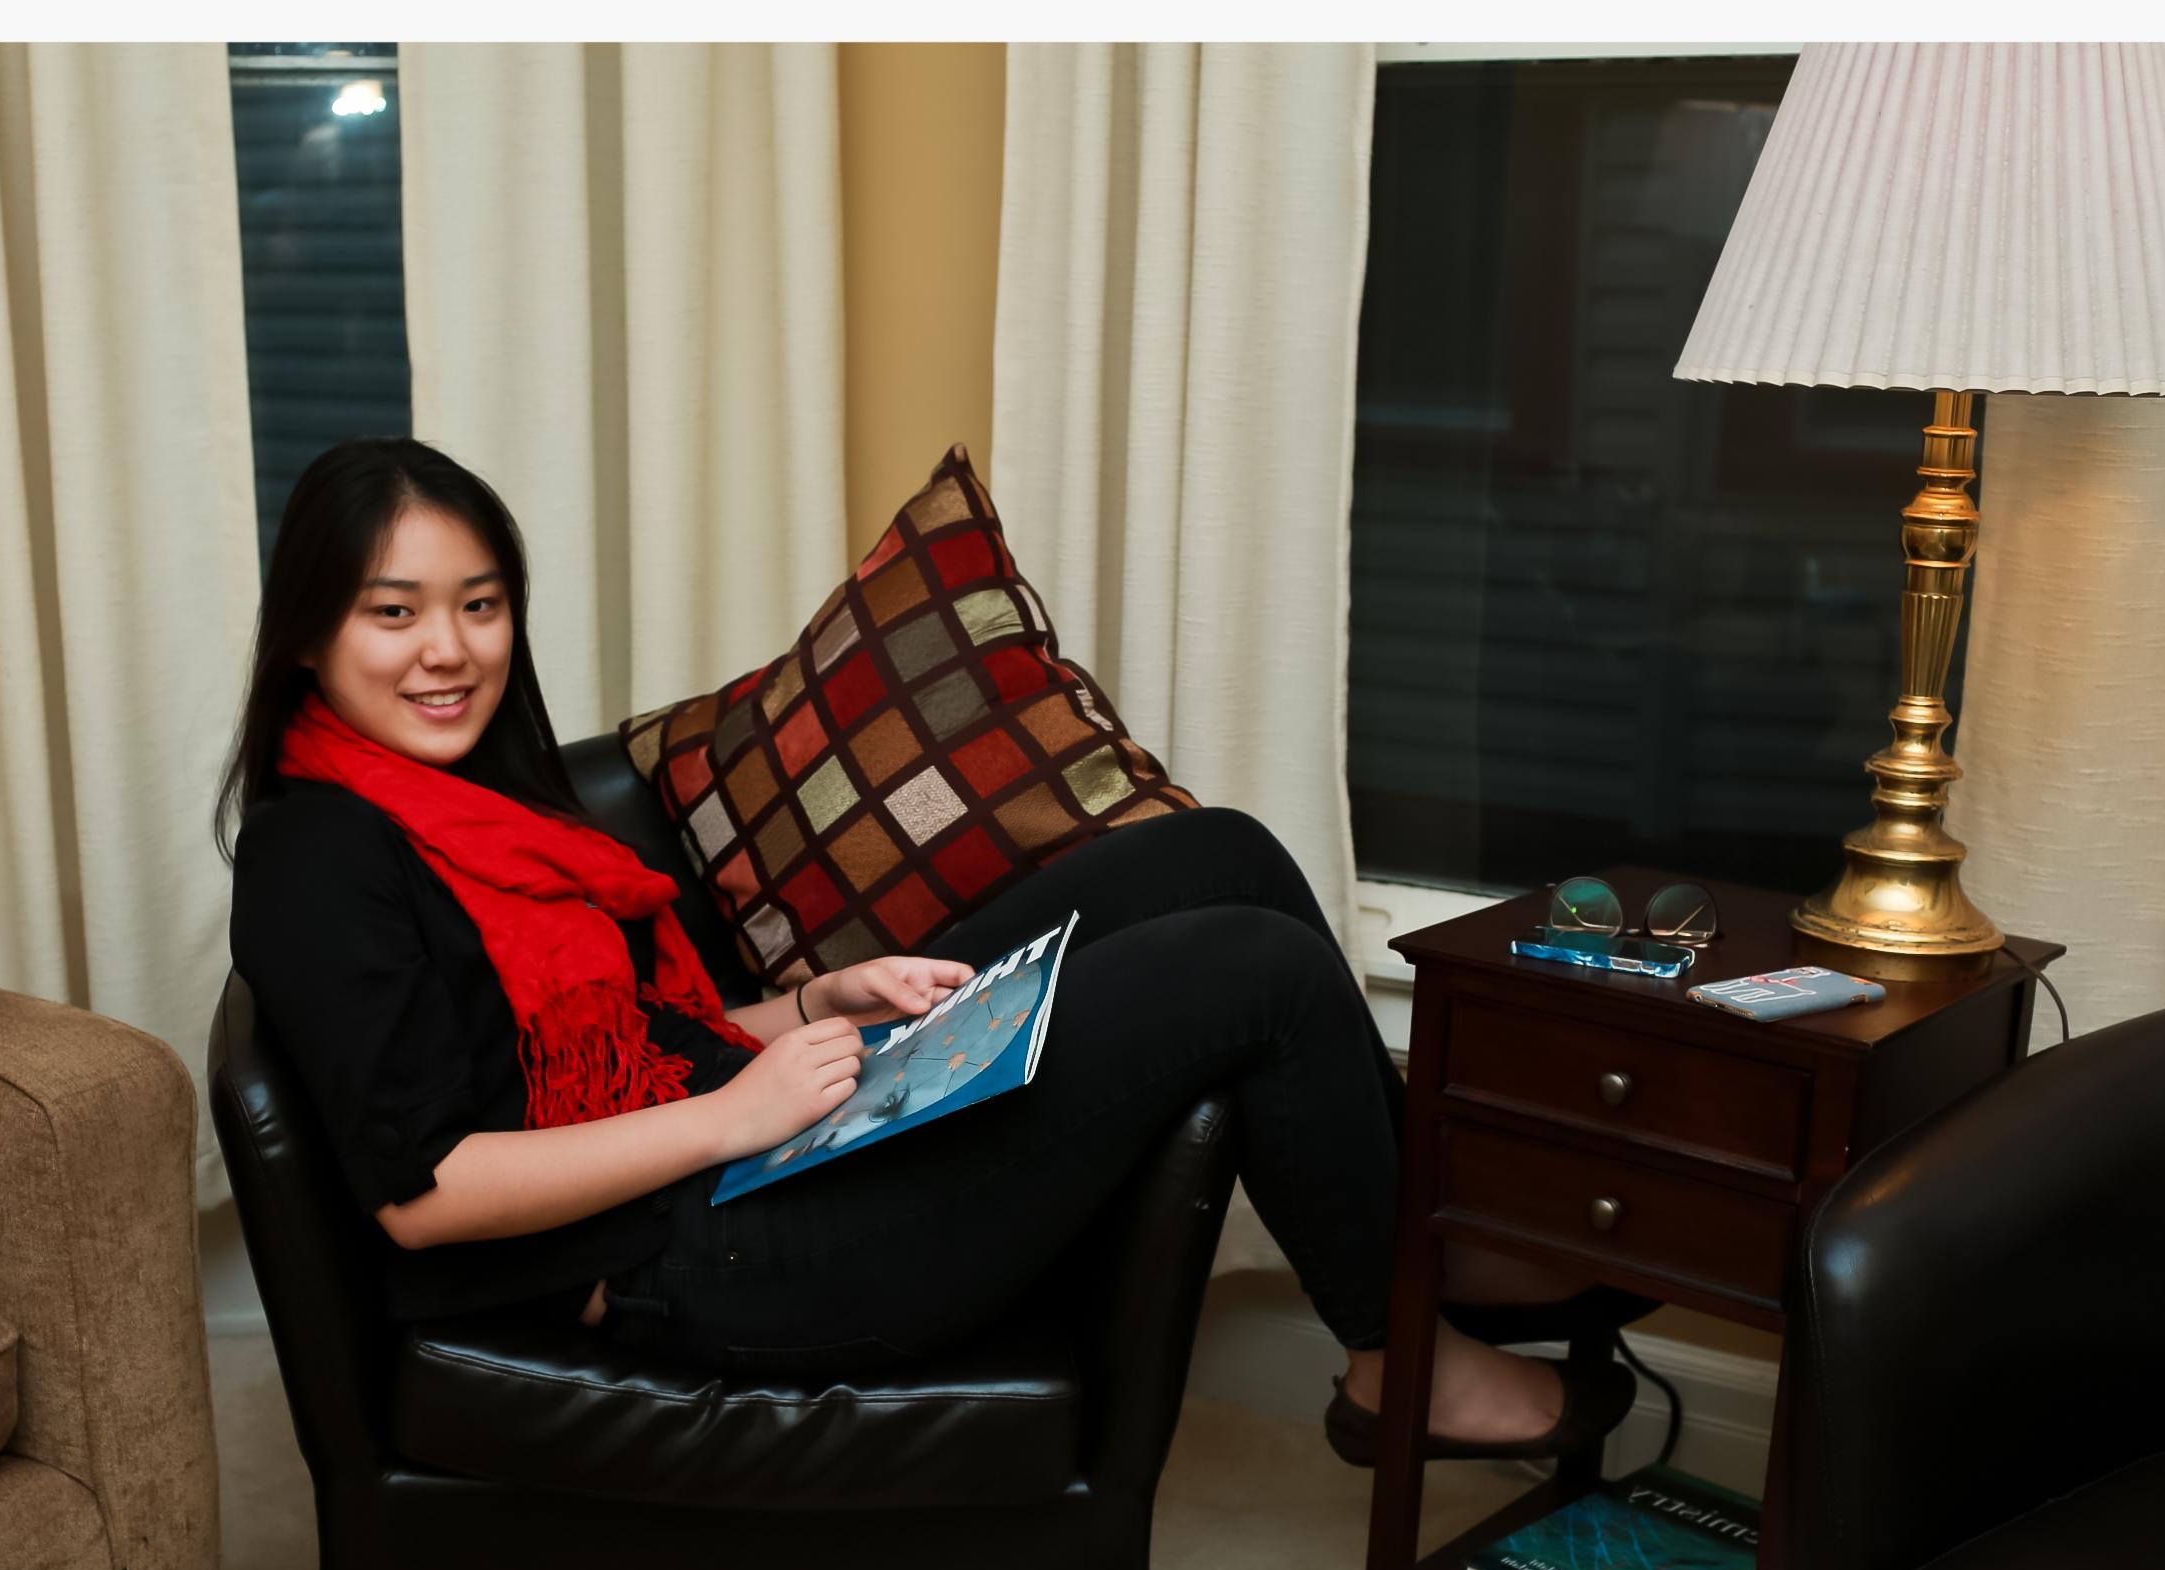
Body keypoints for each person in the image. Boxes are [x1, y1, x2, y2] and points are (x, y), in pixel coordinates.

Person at [219, 438, 1635, 1457]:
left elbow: (630, 1043)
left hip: (747, 1150)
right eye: (390, 613)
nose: (447, 650)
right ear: (309, 638)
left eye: (478, 603)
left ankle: (1407, 1236)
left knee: (1224, 857)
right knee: (1246, 978)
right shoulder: (317, 852)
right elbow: (427, 1195)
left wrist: (804, 1005)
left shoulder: (487, 805)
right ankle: (1399, 1354)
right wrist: (729, 1116)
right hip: (692, 1261)